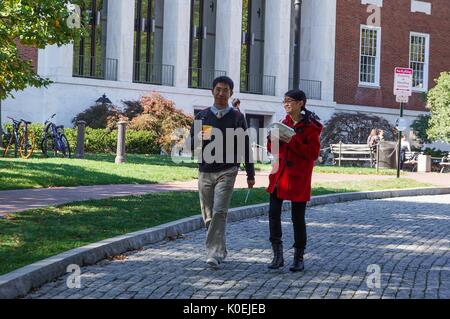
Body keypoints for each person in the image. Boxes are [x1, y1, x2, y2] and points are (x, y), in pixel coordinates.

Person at [190, 76, 255, 269]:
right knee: (208, 215)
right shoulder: (202, 116)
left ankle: (213, 254)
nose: (221, 93)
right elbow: (190, 145)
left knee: (220, 211)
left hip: (228, 169)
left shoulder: (237, 117)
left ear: (230, 93)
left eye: (225, 90)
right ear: (212, 91)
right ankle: (221, 249)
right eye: (218, 89)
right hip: (205, 170)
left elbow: (245, 146)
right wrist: (199, 137)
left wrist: (250, 173)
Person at [266, 89, 323, 272]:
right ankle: (278, 255)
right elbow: (273, 150)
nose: (286, 104)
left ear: (301, 103)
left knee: (297, 218)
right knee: (273, 214)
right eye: (284, 101)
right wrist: (272, 139)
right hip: (279, 175)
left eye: (290, 101)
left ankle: (299, 257)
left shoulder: (311, 128)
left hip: (298, 178)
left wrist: (291, 139)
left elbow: (312, 154)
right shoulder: (282, 123)